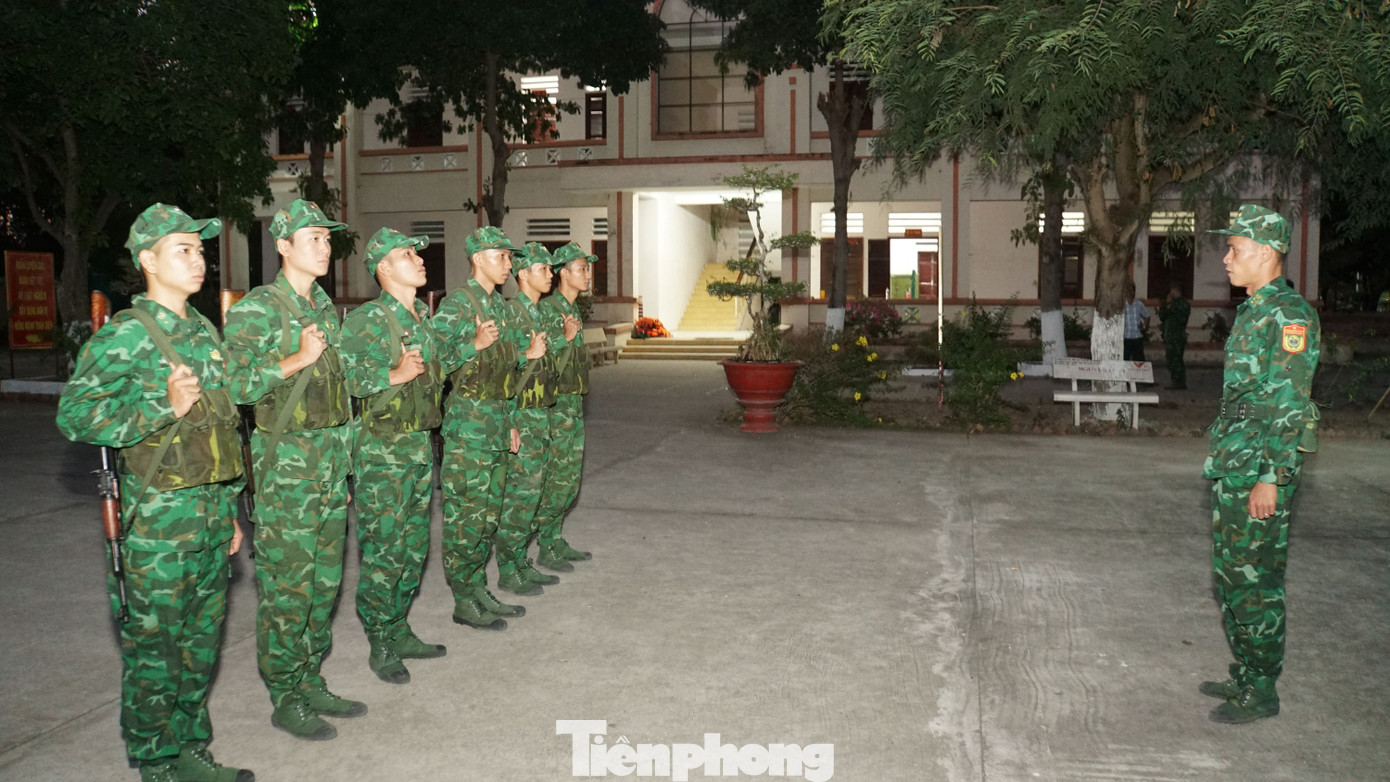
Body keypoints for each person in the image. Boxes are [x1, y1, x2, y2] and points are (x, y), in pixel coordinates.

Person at [57, 204, 254, 782]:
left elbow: (220, 429)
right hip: (157, 525)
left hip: (210, 516)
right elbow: (75, 416)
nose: (199, 261)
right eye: (184, 251)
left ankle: (191, 750)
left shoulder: (202, 331)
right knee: (155, 654)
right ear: (148, 260)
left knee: (200, 648)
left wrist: (232, 509)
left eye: (200, 250)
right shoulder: (125, 336)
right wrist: (158, 407)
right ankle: (155, 761)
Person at [223, 199, 363, 741]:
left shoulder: (326, 307)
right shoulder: (258, 309)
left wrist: (345, 470)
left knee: (324, 585)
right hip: (286, 471)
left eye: (328, 240)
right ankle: (285, 693)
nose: (324, 248)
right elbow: (234, 385)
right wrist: (296, 360)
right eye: (313, 239)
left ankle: (310, 677)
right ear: (282, 246)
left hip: (327, 469)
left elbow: (339, 395)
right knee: (288, 588)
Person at [1199, 204, 1320, 724]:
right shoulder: (1254, 309)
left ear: (1267, 253)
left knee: (1256, 580)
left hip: (1259, 470)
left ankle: (1263, 688)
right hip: (1236, 461)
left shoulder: (1289, 316)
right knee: (1231, 573)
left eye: (1236, 249)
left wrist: (1272, 476)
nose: (1227, 259)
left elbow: (1289, 405)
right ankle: (1247, 670)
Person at [340, 228, 448, 685]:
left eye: (417, 254)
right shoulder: (366, 320)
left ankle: (399, 627)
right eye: (407, 255)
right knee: (385, 549)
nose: (419, 260)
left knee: (414, 547)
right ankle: (380, 639)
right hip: (382, 450)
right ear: (384, 268)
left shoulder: (422, 318)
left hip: (418, 447)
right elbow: (345, 379)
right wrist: (394, 372)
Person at [432, 226, 546, 630]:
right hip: (468, 426)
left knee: (488, 516)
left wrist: (513, 419)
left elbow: (506, 372)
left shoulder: (499, 306)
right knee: (466, 516)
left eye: (510, 257)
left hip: (497, 421)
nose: (508, 264)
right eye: (501, 256)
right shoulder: (458, 305)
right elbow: (435, 361)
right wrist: (472, 345)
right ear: (478, 258)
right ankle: (464, 597)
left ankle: (478, 587)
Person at [494, 242, 564, 592]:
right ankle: (508, 569)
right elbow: (499, 372)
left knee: (534, 494)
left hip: (541, 414)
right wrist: (510, 422)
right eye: (543, 269)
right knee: (520, 497)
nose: (550, 275)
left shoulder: (538, 313)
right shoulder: (510, 314)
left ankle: (521, 560)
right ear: (522, 274)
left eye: (551, 269)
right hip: (520, 416)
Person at [533, 241, 594, 568]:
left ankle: (554, 538)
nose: (587, 274)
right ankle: (545, 544)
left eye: (587, 268)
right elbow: (536, 363)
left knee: (569, 480)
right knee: (554, 479)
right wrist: (564, 339)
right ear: (562, 273)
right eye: (581, 269)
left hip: (572, 406)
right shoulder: (547, 311)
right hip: (554, 409)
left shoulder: (572, 311)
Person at [1158, 281, 1190, 389]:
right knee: (1178, 359)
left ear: (1174, 290)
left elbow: (1162, 315)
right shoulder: (1185, 303)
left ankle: (1176, 382)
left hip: (1174, 335)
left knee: (1173, 359)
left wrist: (1167, 303)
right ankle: (1180, 382)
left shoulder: (1175, 303)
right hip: (1179, 335)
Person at [1122, 280, 1150, 361]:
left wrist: (1144, 327)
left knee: (1139, 362)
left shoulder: (1139, 304)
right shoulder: (1122, 305)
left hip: (1137, 337)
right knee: (1125, 361)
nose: (1130, 292)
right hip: (1125, 337)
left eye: (1132, 290)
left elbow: (1147, 316)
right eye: (1128, 290)